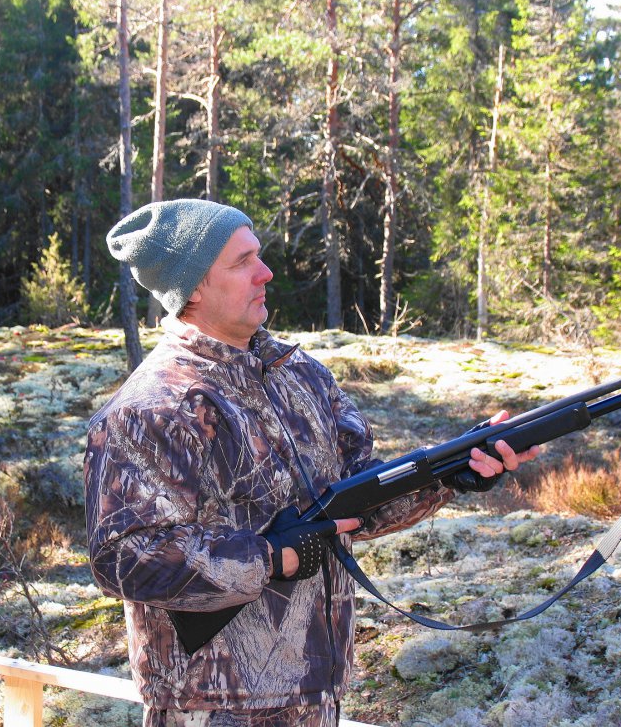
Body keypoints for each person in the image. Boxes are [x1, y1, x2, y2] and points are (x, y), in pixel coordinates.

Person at [84, 199, 540, 727]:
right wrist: (271, 558)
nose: (265, 273)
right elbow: (124, 557)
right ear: (194, 288)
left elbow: (359, 496)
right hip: (212, 710)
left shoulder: (300, 375)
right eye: (242, 262)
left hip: (319, 693)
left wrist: (455, 470)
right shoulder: (151, 409)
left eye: (258, 255)